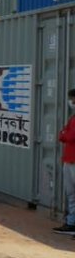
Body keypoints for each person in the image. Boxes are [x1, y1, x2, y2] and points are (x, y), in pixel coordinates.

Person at [54, 88, 75, 235]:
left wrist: (63, 133)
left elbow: (69, 136)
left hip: (73, 160)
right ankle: (71, 223)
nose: (71, 103)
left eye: (73, 100)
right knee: (71, 193)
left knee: (73, 194)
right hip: (69, 159)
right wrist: (63, 133)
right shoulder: (73, 118)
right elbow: (63, 134)